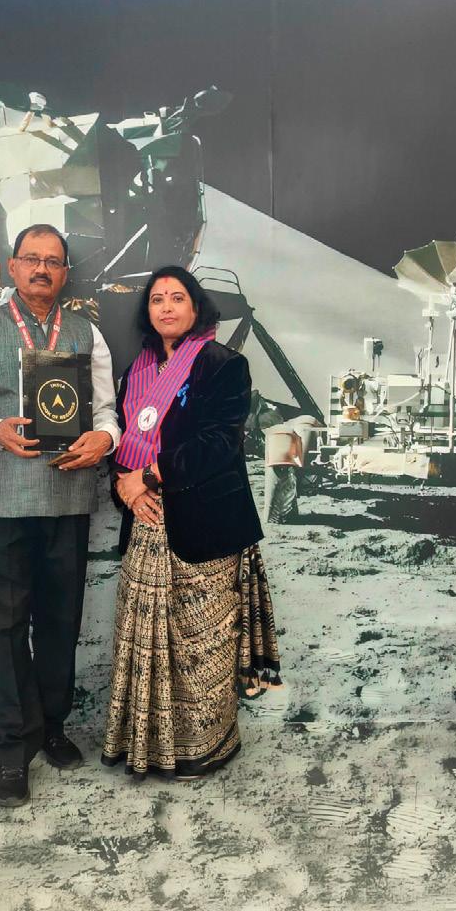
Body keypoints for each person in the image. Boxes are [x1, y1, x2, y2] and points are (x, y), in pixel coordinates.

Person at [0, 223, 120, 807]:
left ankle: (54, 727)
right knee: (7, 627)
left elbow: (107, 411)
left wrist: (106, 439)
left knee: (61, 621)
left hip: (67, 500)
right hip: (2, 504)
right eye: (31, 259)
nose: (42, 268)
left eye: (53, 261)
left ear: (65, 273)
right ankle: (13, 750)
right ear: (12, 267)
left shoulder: (87, 333)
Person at [101, 266, 282, 780]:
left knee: (202, 647)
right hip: (146, 523)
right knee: (146, 643)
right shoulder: (134, 372)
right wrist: (126, 486)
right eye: (157, 299)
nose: (166, 307)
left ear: (196, 307)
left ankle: (206, 748)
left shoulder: (224, 365)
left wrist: (147, 478)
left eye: (177, 297)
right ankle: (148, 747)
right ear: (147, 312)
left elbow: (219, 443)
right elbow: (122, 439)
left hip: (205, 525)